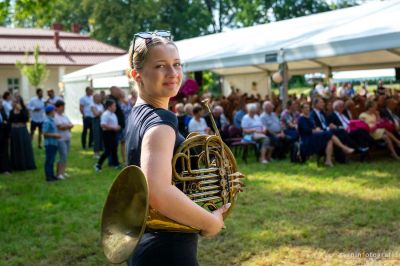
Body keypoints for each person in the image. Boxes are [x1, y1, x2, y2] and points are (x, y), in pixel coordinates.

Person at [125, 31, 229, 266]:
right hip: (167, 248)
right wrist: (210, 222)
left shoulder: (137, 113)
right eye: (161, 66)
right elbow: (159, 192)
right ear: (137, 74)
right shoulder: (162, 122)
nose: (173, 74)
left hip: (145, 240)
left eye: (177, 64)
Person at [9, 95, 36, 171]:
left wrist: (20, 110)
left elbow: (26, 119)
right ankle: (16, 165)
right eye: (14, 102)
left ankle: (25, 164)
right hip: (14, 131)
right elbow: (10, 121)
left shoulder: (24, 110)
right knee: (15, 148)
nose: (15, 103)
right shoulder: (11, 111)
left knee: (23, 147)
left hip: (22, 130)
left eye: (16, 101)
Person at [94, 99, 120, 171]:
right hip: (107, 134)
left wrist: (117, 127)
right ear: (109, 107)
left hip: (113, 133)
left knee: (114, 149)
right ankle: (98, 164)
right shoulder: (105, 114)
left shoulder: (113, 114)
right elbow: (103, 125)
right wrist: (113, 128)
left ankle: (116, 164)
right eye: (114, 106)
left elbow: (115, 124)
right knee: (108, 150)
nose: (115, 107)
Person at [54, 100, 73, 179]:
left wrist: (66, 126)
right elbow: (60, 127)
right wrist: (67, 126)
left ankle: (63, 172)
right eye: (62, 107)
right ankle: (59, 173)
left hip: (67, 137)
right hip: (60, 139)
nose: (63, 108)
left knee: (65, 156)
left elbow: (71, 124)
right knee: (63, 155)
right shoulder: (56, 117)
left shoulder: (65, 116)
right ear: (58, 107)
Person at [43, 105, 61, 181]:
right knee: (49, 160)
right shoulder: (47, 121)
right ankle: (48, 177)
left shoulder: (52, 120)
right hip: (50, 143)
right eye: (54, 111)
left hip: (54, 143)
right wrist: (55, 135)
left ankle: (52, 175)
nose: (55, 112)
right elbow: (45, 133)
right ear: (50, 112)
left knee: (52, 160)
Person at [91, 93, 105, 159]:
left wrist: (100, 112)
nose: (100, 98)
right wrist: (100, 112)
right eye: (98, 97)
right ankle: (96, 152)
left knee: (101, 136)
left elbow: (102, 113)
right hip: (96, 121)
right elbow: (96, 114)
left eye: (100, 97)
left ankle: (100, 151)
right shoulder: (93, 105)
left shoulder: (101, 105)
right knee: (96, 136)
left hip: (101, 120)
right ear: (95, 98)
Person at [0, 99, 11, 174]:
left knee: (4, 152)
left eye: (1, 103)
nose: (1, 104)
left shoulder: (3, 113)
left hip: (4, 136)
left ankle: (5, 169)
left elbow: (7, 122)